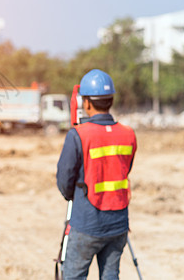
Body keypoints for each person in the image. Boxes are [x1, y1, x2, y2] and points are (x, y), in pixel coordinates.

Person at [56, 69, 137, 280]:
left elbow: (65, 180)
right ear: (110, 99)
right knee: (110, 275)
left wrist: (74, 196)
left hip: (87, 222)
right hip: (119, 222)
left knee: (73, 276)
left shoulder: (79, 135)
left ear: (86, 103)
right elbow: (123, 170)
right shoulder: (128, 134)